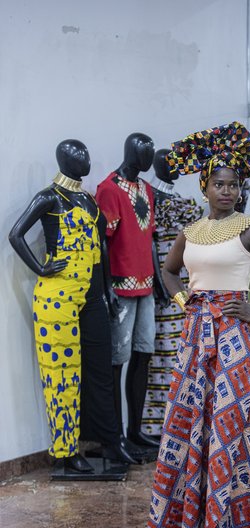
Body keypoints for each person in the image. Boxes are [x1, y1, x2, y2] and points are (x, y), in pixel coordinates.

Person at [147, 122, 250, 528]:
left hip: (236, 335)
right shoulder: (190, 232)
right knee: (191, 420)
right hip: (196, 335)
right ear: (204, 187)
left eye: (233, 185)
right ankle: (191, 517)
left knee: (233, 422)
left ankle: (235, 522)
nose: (227, 191)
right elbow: (168, 271)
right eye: (219, 184)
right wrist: (184, 301)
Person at [9, 139, 141, 473]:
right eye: (78, 155)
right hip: (58, 296)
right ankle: (66, 450)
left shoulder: (88, 199)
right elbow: (16, 235)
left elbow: (101, 247)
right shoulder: (50, 197)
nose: (86, 160)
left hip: (92, 294)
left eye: (86, 154)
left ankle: (110, 440)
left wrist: (107, 290)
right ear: (64, 160)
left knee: (101, 369)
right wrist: (40, 268)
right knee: (62, 375)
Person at [96, 133, 169, 453]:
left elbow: (150, 237)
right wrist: (107, 287)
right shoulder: (109, 189)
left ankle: (135, 430)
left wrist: (159, 281)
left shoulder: (145, 189)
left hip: (146, 285)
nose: (150, 158)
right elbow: (102, 241)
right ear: (132, 153)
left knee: (143, 355)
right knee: (118, 361)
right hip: (121, 286)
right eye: (146, 152)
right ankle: (115, 438)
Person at [141, 149, 203, 437]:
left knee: (184, 351)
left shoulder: (173, 196)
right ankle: (160, 425)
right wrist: (160, 282)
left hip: (186, 280)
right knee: (164, 355)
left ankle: (184, 420)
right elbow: (150, 245)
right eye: (172, 164)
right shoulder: (151, 198)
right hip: (165, 282)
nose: (178, 168)